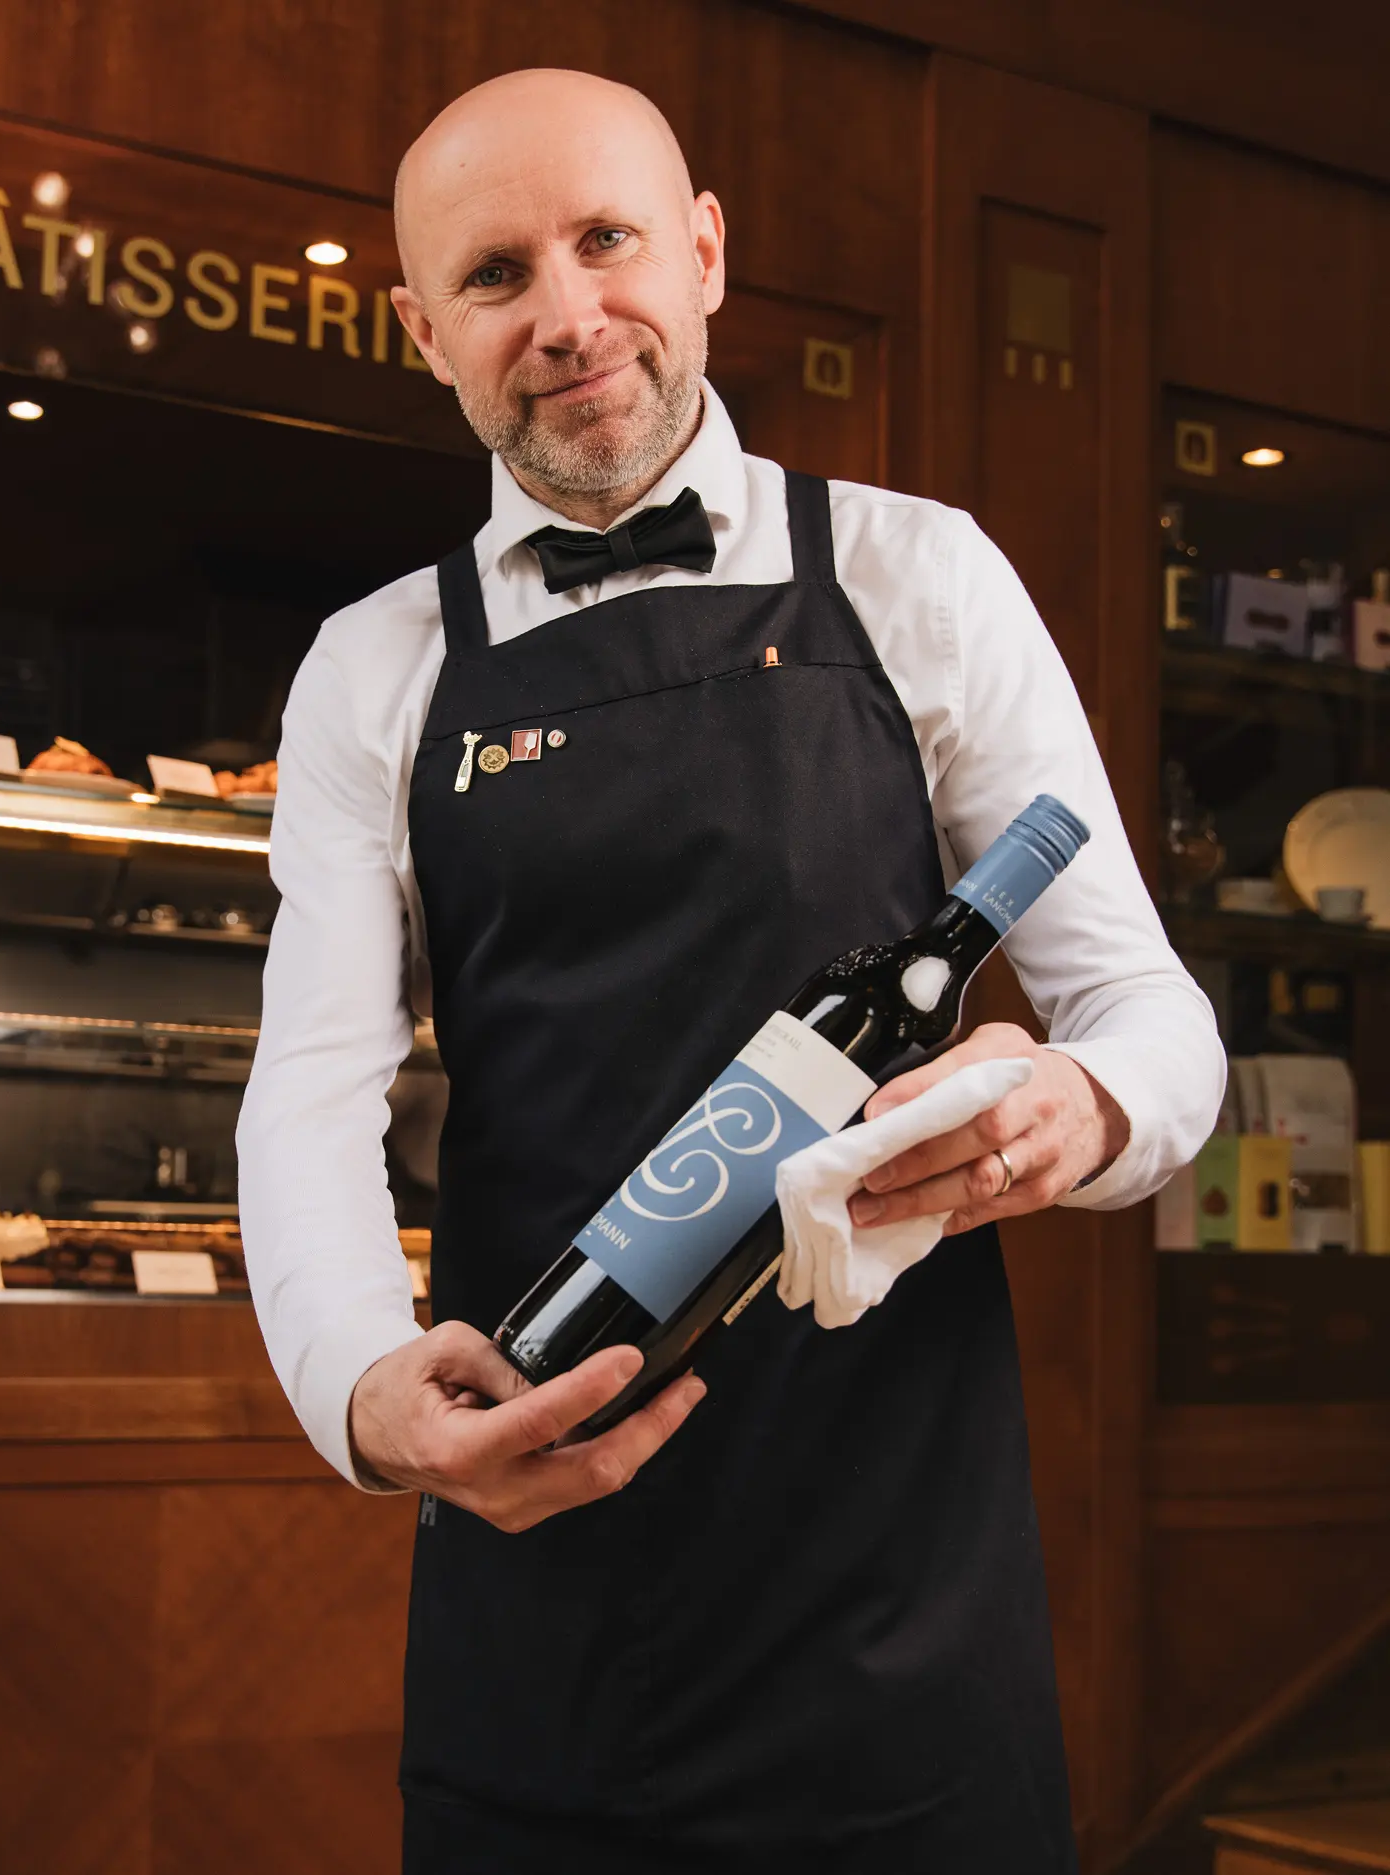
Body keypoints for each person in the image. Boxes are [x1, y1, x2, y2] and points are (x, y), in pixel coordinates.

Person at [237, 67, 1224, 1874]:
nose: (566, 314)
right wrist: (369, 1395)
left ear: (701, 254)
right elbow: (306, 1091)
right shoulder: (368, 670)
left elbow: (1147, 1016)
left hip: (899, 1592)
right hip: (542, 1583)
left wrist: (1072, 1106)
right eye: (495, 274)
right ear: (422, 332)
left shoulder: (922, 575)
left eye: (607, 240)